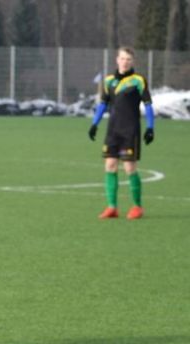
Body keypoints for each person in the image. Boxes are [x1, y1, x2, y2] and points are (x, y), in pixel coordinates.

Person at [88, 46, 155, 220]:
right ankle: (112, 207)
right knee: (110, 165)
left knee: (129, 168)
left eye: (128, 59)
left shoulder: (138, 80)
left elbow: (148, 105)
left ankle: (137, 206)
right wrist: (94, 124)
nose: (125, 62)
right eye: (123, 58)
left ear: (133, 62)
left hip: (130, 131)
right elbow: (103, 104)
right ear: (117, 60)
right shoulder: (109, 81)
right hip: (113, 130)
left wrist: (150, 127)